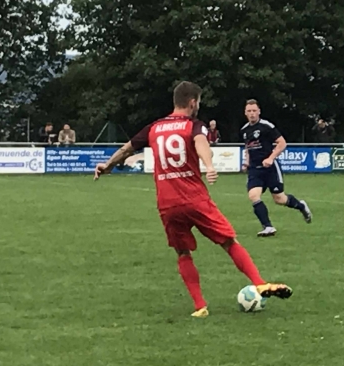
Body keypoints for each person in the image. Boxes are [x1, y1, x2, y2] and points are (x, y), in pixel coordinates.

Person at [93, 81, 292, 317]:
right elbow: (200, 143)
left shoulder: (154, 127)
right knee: (229, 242)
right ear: (192, 102)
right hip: (195, 199)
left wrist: (108, 165)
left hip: (167, 203)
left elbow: (127, 149)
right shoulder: (194, 125)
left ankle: (200, 307)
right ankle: (259, 283)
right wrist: (209, 166)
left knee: (182, 252)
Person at [241, 100, 312, 237]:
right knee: (253, 196)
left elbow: (282, 143)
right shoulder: (244, 130)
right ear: (245, 113)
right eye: (249, 111)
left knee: (279, 199)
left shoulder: (266, 126)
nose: (252, 113)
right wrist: (246, 162)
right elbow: (248, 148)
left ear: (259, 111)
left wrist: (271, 158)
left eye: (254, 110)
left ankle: (301, 206)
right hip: (255, 170)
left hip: (270, 168)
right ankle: (268, 227)